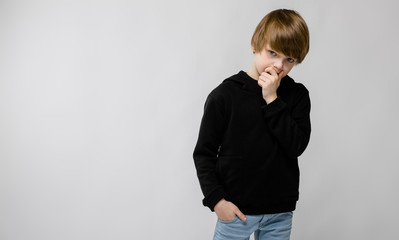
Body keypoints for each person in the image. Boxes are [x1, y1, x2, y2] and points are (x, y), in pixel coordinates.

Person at [193, 9, 311, 240]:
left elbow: (296, 145)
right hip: (236, 211)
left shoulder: (297, 95)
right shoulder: (225, 95)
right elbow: (204, 153)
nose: (279, 65)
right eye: (273, 52)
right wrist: (216, 201)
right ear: (255, 44)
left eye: (289, 59)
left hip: (279, 211)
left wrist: (272, 100)